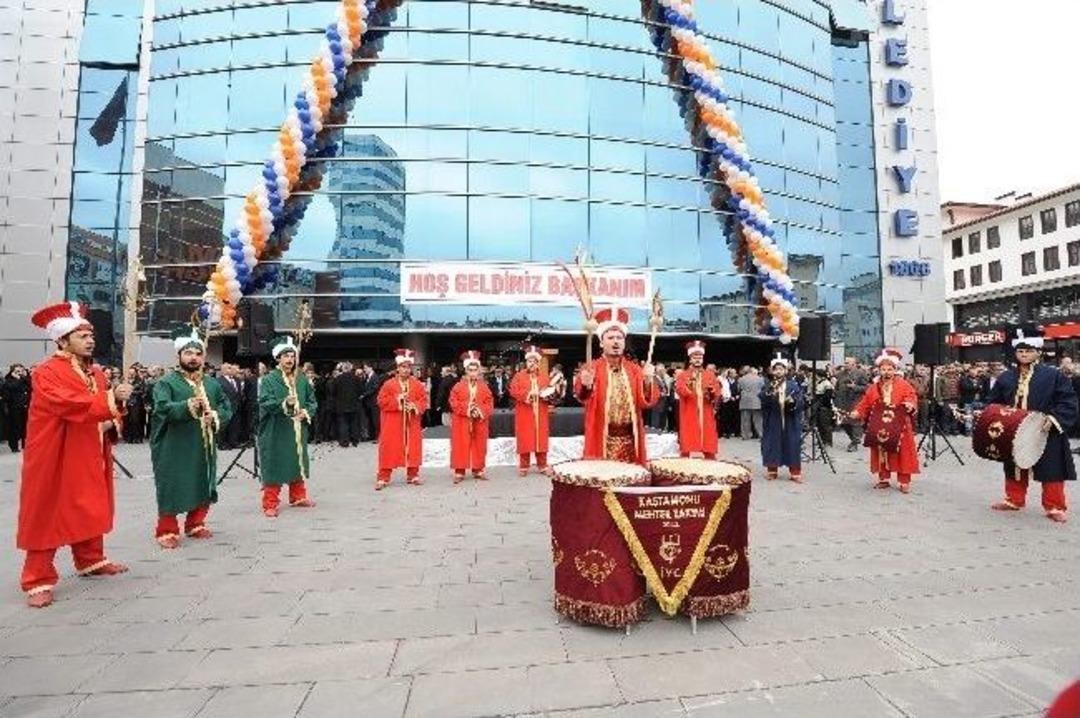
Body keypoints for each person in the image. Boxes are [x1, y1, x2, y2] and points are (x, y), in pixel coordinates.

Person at [17, 302, 133, 608]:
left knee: (91, 500)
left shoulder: (96, 371)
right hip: (57, 451)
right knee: (49, 509)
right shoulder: (46, 372)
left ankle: (90, 559)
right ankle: (37, 578)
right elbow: (68, 403)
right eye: (81, 335)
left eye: (90, 334)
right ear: (62, 340)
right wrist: (111, 400)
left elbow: (106, 409)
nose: (90, 339)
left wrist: (116, 410)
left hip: (90, 447)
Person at [149, 326, 232, 549]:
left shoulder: (212, 383)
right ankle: (166, 529)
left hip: (203, 442)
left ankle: (196, 523)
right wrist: (186, 406)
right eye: (188, 353)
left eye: (198, 354)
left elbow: (226, 407)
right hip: (174, 444)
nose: (194, 358)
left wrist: (215, 416)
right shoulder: (166, 383)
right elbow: (162, 409)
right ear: (179, 356)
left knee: (202, 479)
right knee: (173, 483)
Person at [987, 327, 1077, 523]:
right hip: (1014, 430)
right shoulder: (1006, 377)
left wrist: (1053, 420)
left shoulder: (1054, 376)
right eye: (1020, 351)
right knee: (1014, 466)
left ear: (1038, 351)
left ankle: (1054, 506)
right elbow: (993, 403)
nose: (1024, 354)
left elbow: (1068, 402)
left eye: (1028, 350)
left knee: (1051, 468)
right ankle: (1014, 499)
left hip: (1046, 429)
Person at [574, 307, 658, 465]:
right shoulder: (591, 368)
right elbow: (582, 396)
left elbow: (646, 402)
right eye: (611, 337)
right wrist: (586, 386)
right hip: (603, 436)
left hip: (630, 439)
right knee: (604, 483)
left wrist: (648, 380)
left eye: (620, 337)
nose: (616, 341)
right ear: (601, 342)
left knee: (630, 483)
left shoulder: (634, 369)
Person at [257, 336, 317, 518]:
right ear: (278, 358)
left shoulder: (302, 379)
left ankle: (298, 496)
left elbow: (312, 401)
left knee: (297, 461)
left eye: (292, 356)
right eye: (286, 356)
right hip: (276, 430)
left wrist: (305, 413)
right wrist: (284, 404)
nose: (290, 359)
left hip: (297, 429)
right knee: (274, 463)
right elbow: (265, 402)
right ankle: (270, 502)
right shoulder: (268, 380)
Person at [850, 348, 919, 494]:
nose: (886, 372)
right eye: (883, 369)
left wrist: (909, 404)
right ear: (879, 370)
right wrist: (857, 412)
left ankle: (904, 480)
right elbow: (865, 403)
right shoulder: (873, 387)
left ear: (895, 369)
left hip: (900, 425)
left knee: (903, 453)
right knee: (880, 451)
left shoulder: (903, 384)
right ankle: (884, 479)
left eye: (889, 369)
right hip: (879, 425)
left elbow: (911, 397)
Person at [376, 349, 428, 489]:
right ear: (397, 368)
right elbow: (381, 401)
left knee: (413, 448)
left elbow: (424, 401)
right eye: (403, 367)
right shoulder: (388, 384)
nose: (406, 370)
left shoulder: (417, 384)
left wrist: (414, 406)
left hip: (411, 423)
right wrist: (396, 400)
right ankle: (383, 477)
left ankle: (413, 475)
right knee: (388, 447)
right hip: (393, 423)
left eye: (408, 367)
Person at [449, 350, 494, 483]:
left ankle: (478, 469)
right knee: (460, 444)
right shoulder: (457, 387)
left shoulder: (484, 387)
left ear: (478, 371)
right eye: (470, 370)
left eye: (475, 370)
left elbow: (489, 403)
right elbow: (453, 402)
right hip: (462, 420)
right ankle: (459, 471)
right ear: (466, 371)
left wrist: (479, 410)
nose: (473, 373)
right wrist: (468, 409)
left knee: (479, 444)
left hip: (479, 420)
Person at [675, 340, 723, 459]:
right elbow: (679, 390)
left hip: (706, 411)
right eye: (695, 357)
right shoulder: (683, 375)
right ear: (690, 358)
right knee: (688, 437)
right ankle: (684, 461)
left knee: (708, 437)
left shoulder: (710, 375)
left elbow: (717, 391)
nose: (697, 359)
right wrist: (688, 388)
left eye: (700, 357)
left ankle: (710, 459)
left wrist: (712, 392)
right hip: (689, 411)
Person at [760, 355, 804, 482]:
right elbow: (763, 400)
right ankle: (772, 470)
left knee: (793, 444)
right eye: (776, 369)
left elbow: (801, 401)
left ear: (785, 371)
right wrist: (768, 394)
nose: (778, 371)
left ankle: (795, 472)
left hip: (790, 420)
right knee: (772, 444)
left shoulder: (793, 385)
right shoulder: (768, 385)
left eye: (781, 369)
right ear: (772, 371)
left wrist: (793, 402)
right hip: (774, 420)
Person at [509, 345, 552, 476]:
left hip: (541, 412)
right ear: (526, 362)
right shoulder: (518, 376)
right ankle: (524, 466)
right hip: (525, 412)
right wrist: (528, 394)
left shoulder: (545, 377)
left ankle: (542, 465)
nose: (532, 363)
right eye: (529, 361)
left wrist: (548, 394)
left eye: (535, 361)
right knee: (525, 438)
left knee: (541, 439)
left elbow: (550, 393)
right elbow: (513, 391)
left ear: (538, 363)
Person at [835, 357, 869, 451]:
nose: (845, 364)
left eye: (847, 363)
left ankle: (855, 442)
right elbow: (837, 387)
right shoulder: (840, 374)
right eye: (845, 362)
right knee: (844, 423)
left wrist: (855, 387)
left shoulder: (861, 374)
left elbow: (866, 387)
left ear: (853, 364)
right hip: (843, 402)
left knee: (855, 423)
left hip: (855, 401)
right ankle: (853, 439)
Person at [331, 361, 362, 447]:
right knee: (354, 423)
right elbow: (361, 390)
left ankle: (344, 442)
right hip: (354, 404)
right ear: (351, 368)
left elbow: (333, 391)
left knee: (343, 424)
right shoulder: (356, 378)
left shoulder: (338, 379)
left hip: (341, 405)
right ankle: (355, 441)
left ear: (343, 369)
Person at [2, 364, 31, 452]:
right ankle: (14, 446)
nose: (19, 373)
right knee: (15, 427)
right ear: (12, 372)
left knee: (25, 427)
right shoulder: (9, 381)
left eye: (21, 371)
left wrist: (25, 376)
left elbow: (31, 386)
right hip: (14, 408)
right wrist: (19, 379)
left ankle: (25, 444)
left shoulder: (24, 380)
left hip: (25, 407)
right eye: (17, 371)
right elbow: (12, 387)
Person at [737, 366, 764, 440]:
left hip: (745, 401)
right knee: (758, 420)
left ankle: (746, 435)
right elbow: (762, 388)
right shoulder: (759, 379)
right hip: (756, 401)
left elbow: (738, 389)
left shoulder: (741, 379)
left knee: (745, 420)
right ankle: (761, 434)